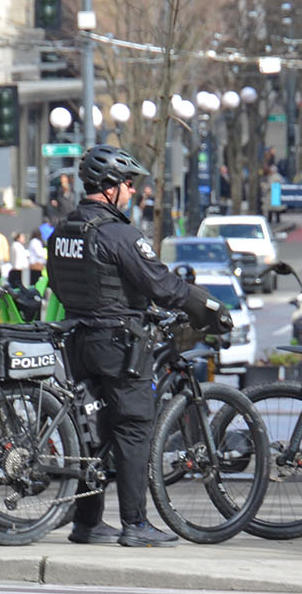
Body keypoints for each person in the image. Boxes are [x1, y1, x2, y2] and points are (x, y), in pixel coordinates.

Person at [46, 144, 232, 547]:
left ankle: (88, 522)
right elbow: (162, 285)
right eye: (129, 184)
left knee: (95, 431)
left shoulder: (63, 232)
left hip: (78, 341)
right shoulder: (119, 234)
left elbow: (57, 285)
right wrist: (207, 306)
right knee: (133, 428)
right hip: (119, 345)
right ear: (111, 187)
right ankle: (135, 523)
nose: (133, 191)